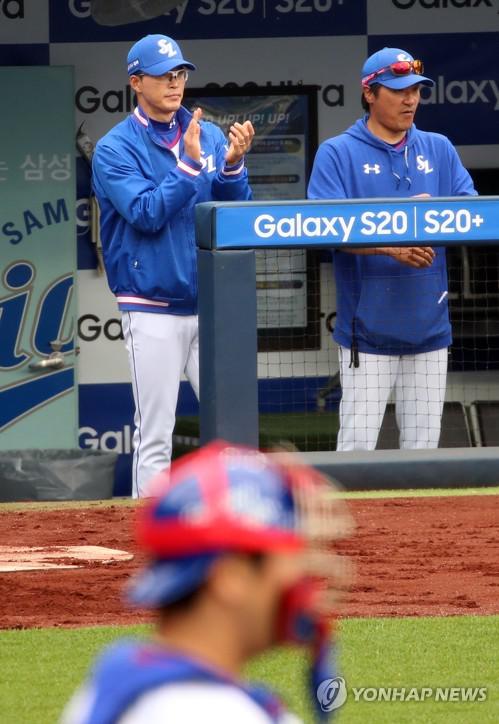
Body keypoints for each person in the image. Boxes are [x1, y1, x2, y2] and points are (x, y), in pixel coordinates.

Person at [60, 441, 353, 724]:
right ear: (230, 577)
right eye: (292, 556)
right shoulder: (215, 714)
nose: (303, 578)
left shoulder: (121, 672)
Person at [92, 35, 254, 497]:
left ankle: (239, 527)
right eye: (164, 75)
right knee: (156, 433)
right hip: (151, 304)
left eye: (180, 74)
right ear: (136, 82)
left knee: (232, 433)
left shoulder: (210, 133)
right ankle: (154, 538)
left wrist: (233, 169)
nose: (174, 83)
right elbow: (144, 212)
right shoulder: (114, 147)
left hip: (210, 304)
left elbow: (234, 216)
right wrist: (186, 166)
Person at [308, 47, 476, 451]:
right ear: (370, 93)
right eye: (399, 91)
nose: (410, 99)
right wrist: (392, 240)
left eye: (416, 90)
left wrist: (429, 216)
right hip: (367, 336)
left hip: (430, 330)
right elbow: (321, 232)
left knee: (423, 453)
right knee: (356, 451)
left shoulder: (439, 148)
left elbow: (472, 217)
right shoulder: (337, 152)